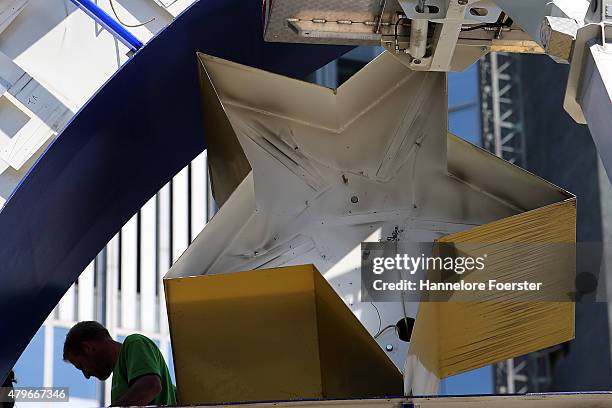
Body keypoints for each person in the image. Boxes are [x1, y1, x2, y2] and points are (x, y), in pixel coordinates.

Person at [63, 321, 176, 406]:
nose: (86, 375)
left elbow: (151, 386)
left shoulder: (134, 343)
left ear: (88, 348)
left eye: (81, 366)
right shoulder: (118, 378)